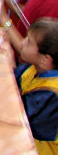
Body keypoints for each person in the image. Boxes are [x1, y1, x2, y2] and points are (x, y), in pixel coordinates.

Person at [13, 18, 58, 154]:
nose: (22, 42)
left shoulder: (52, 94)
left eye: (29, 42)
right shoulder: (32, 68)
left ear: (45, 60)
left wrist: (8, 57)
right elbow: (12, 82)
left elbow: (20, 119)